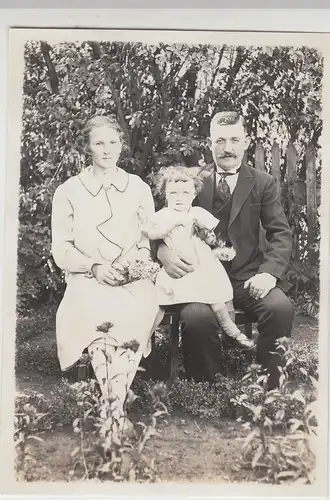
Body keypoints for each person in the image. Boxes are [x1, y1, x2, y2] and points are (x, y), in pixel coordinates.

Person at [157, 111, 294, 389]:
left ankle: (268, 385)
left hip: (248, 277)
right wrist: (163, 253)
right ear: (209, 143)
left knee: (280, 308)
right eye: (220, 140)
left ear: (245, 142)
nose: (227, 148)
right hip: (198, 279)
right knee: (196, 318)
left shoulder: (262, 182)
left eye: (234, 140)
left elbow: (280, 233)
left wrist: (268, 274)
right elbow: (163, 223)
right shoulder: (191, 181)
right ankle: (210, 387)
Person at [51, 115, 163, 427]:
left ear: (121, 145)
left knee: (135, 311)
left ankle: (111, 409)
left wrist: (132, 268)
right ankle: (116, 411)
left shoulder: (137, 188)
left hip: (131, 277)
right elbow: (61, 249)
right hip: (87, 276)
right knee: (98, 322)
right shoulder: (69, 191)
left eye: (113, 142)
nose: (107, 149)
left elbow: (145, 242)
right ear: (87, 147)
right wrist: (94, 267)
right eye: (99, 143)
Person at [141, 165, 255, 350]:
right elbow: (150, 234)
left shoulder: (197, 213)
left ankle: (231, 335)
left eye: (185, 193)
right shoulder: (163, 216)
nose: (179, 198)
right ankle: (143, 339)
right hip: (181, 267)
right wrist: (168, 227)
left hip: (203, 263)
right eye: (174, 193)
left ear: (194, 194)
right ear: (165, 194)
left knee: (220, 294)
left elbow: (210, 237)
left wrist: (209, 238)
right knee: (198, 298)